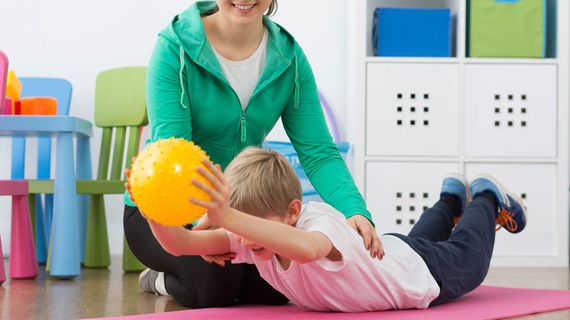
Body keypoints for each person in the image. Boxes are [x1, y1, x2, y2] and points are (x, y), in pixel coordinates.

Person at [124, 0, 382, 308]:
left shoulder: (288, 58)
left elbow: (318, 152)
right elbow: (172, 156)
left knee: (280, 287)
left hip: (241, 209)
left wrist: (354, 211)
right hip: (170, 209)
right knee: (214, 287)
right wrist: (205, 220)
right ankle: (158, 278)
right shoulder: (174, 48)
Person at [146, 148, 528, 312]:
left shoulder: (319, 224)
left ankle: (486, 198)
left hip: (427, 276)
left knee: (470, 255)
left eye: (254, 224)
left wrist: (227, 216)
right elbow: (181, 244)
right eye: (242, 224)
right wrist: (152, 209)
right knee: (418, 241)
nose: (245, 238)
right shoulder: (254, 237)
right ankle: (449, 199)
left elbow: (308, 250)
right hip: (396, 256)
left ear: (293, 211)